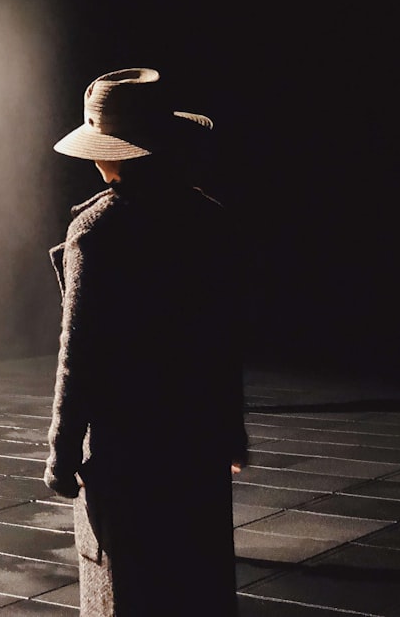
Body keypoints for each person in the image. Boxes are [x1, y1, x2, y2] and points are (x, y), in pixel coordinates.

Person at [44, 69, 248, 616]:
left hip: (127, 454)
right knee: (194, 588)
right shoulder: (210, 220)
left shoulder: (97, 231)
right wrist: (231, 432)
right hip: (196, 444)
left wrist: (61, 455)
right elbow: (223, 343)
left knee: (130, 593)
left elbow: (78, 356)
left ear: (111, 152)